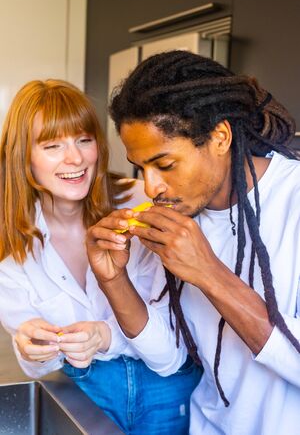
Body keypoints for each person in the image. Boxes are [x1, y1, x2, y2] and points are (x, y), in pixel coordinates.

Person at [86, 51, 300, 435]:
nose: (151, 188)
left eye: (165, 165)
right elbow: (169, 358)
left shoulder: (294, 201)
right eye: (141, 168)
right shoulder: (182, 218)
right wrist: (113, 281)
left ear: (220, 137)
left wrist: (209, 273)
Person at [0, 78, 202, 435]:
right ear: (23, 157)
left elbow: (171, 342)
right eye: (52, 145)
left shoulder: (143, 202)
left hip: (168, 386)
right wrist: (31, 343)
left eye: (84, 139)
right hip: (84, 391)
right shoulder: (10, 242)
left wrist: (104, 336)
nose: (75, 158)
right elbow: (34, 362)